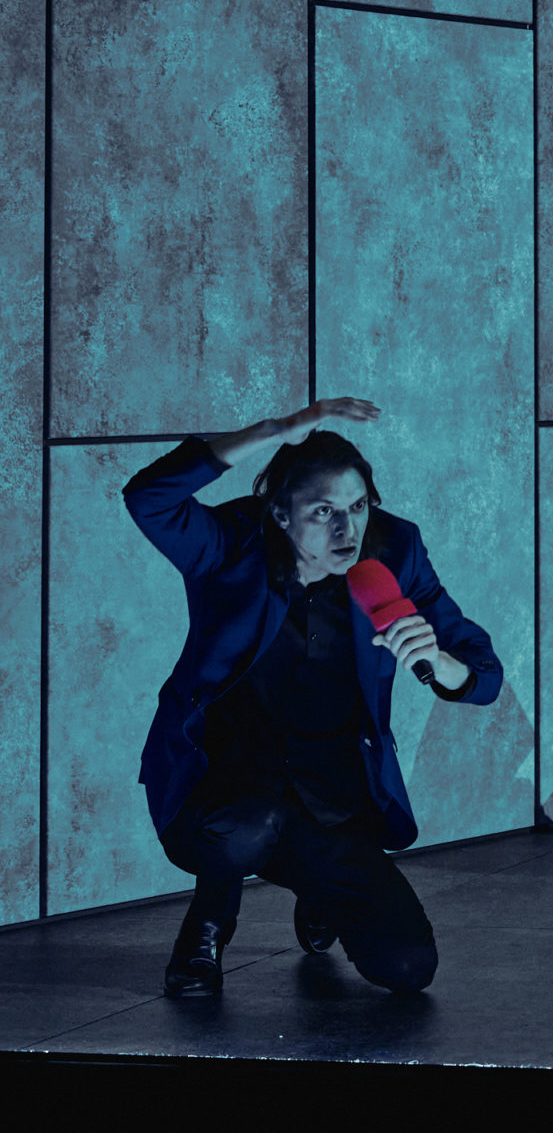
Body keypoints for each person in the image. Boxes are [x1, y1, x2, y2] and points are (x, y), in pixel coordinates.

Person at [124, 397, 506, 996]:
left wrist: (439, 661)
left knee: (408, 967)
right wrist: (270, 432)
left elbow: (484, 674)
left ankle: (317, 886)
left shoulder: (395, 551)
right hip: (222, 788)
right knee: (249, 826)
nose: (346, 531)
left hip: (330, 795)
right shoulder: (231, 545)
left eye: (357, 507)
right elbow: (148, 497)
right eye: (324, 511)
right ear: (280, 513)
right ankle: (208, 923)